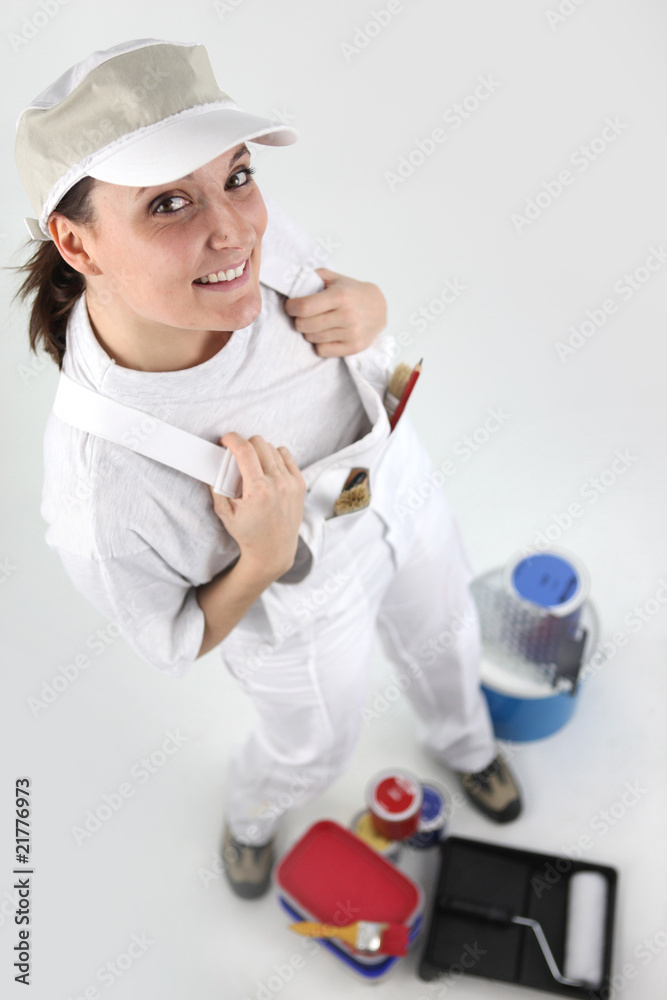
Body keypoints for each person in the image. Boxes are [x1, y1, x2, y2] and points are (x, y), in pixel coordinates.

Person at [13, 38, 522, 900]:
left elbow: (319, 285)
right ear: (78, 244)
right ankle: (251, 820)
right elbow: (177, 639)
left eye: (238, 175)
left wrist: (372, 306)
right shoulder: (100, 489)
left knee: (449, 635)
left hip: (399, 486)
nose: (233, 231)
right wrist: (259, 557)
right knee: (313, 748)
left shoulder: (247, 235)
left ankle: (468, 747)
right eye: (167, 202)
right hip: (300, 607)